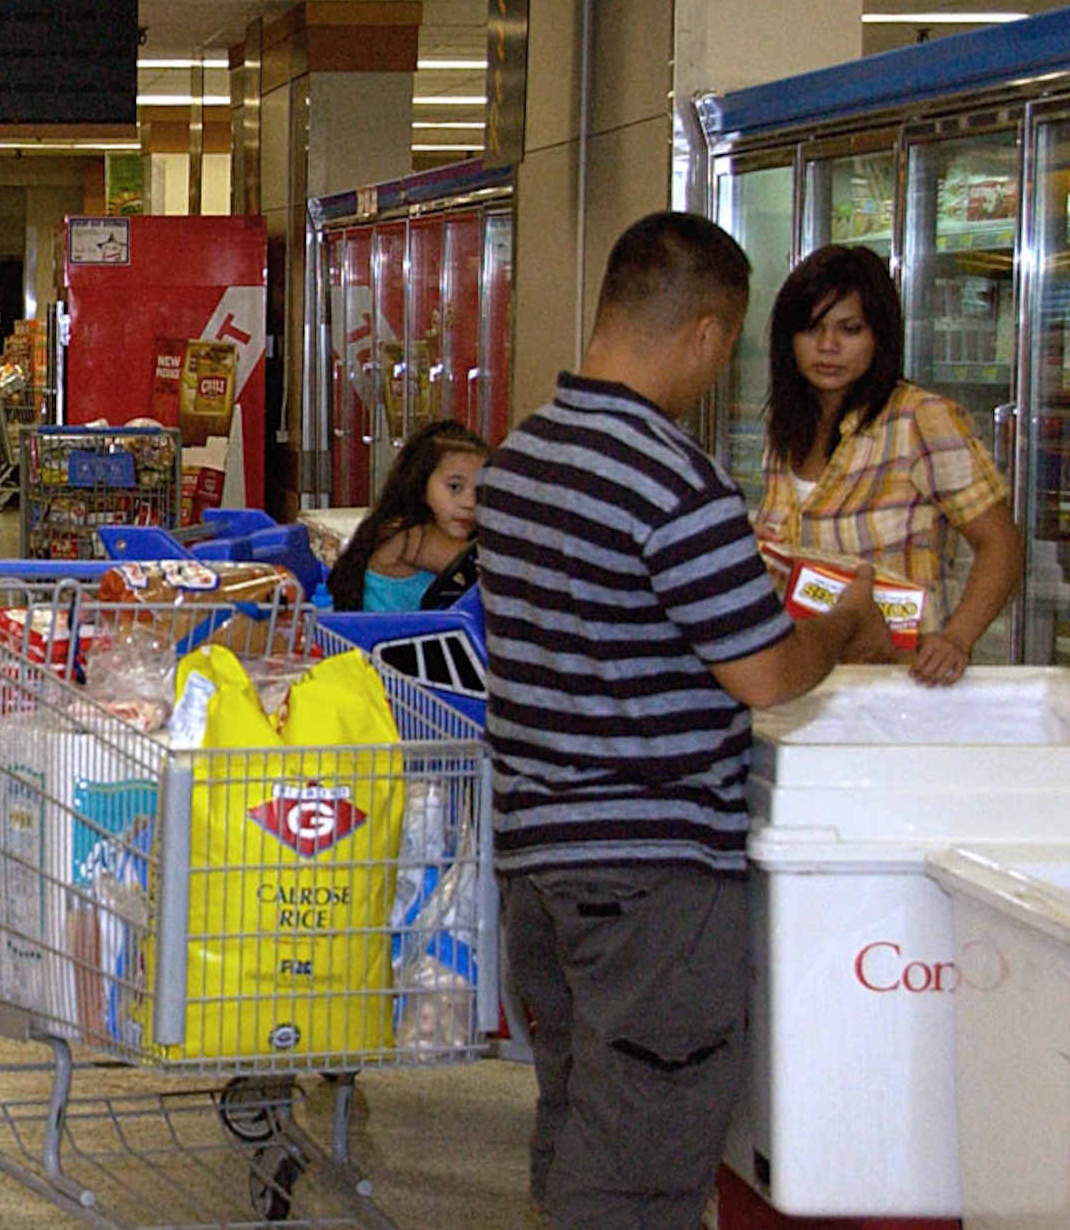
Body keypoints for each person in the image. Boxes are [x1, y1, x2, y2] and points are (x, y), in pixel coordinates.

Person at [474, 211, 895, 1230]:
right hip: (648, 878)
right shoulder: (674, 481)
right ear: (707, 333)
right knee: (640, 1154)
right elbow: (765, 677)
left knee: (580, 1113)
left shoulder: (520, 459)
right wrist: (837, 628)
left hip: (539, 859)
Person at [754, 243, 1022, 686]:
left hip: (895, 683)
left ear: (880, 335)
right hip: (803, 674)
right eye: (811, 329)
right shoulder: (783, 425)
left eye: (850, 329)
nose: (828, 346)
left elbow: (1001, 545)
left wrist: (956, 638)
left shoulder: (920, 418)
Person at [327, 420, 488, 612]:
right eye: (454, 487)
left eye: (480, 490)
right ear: (420, 485)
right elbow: (496, 569)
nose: (469, 503)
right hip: (383, 640)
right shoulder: (408, 536)